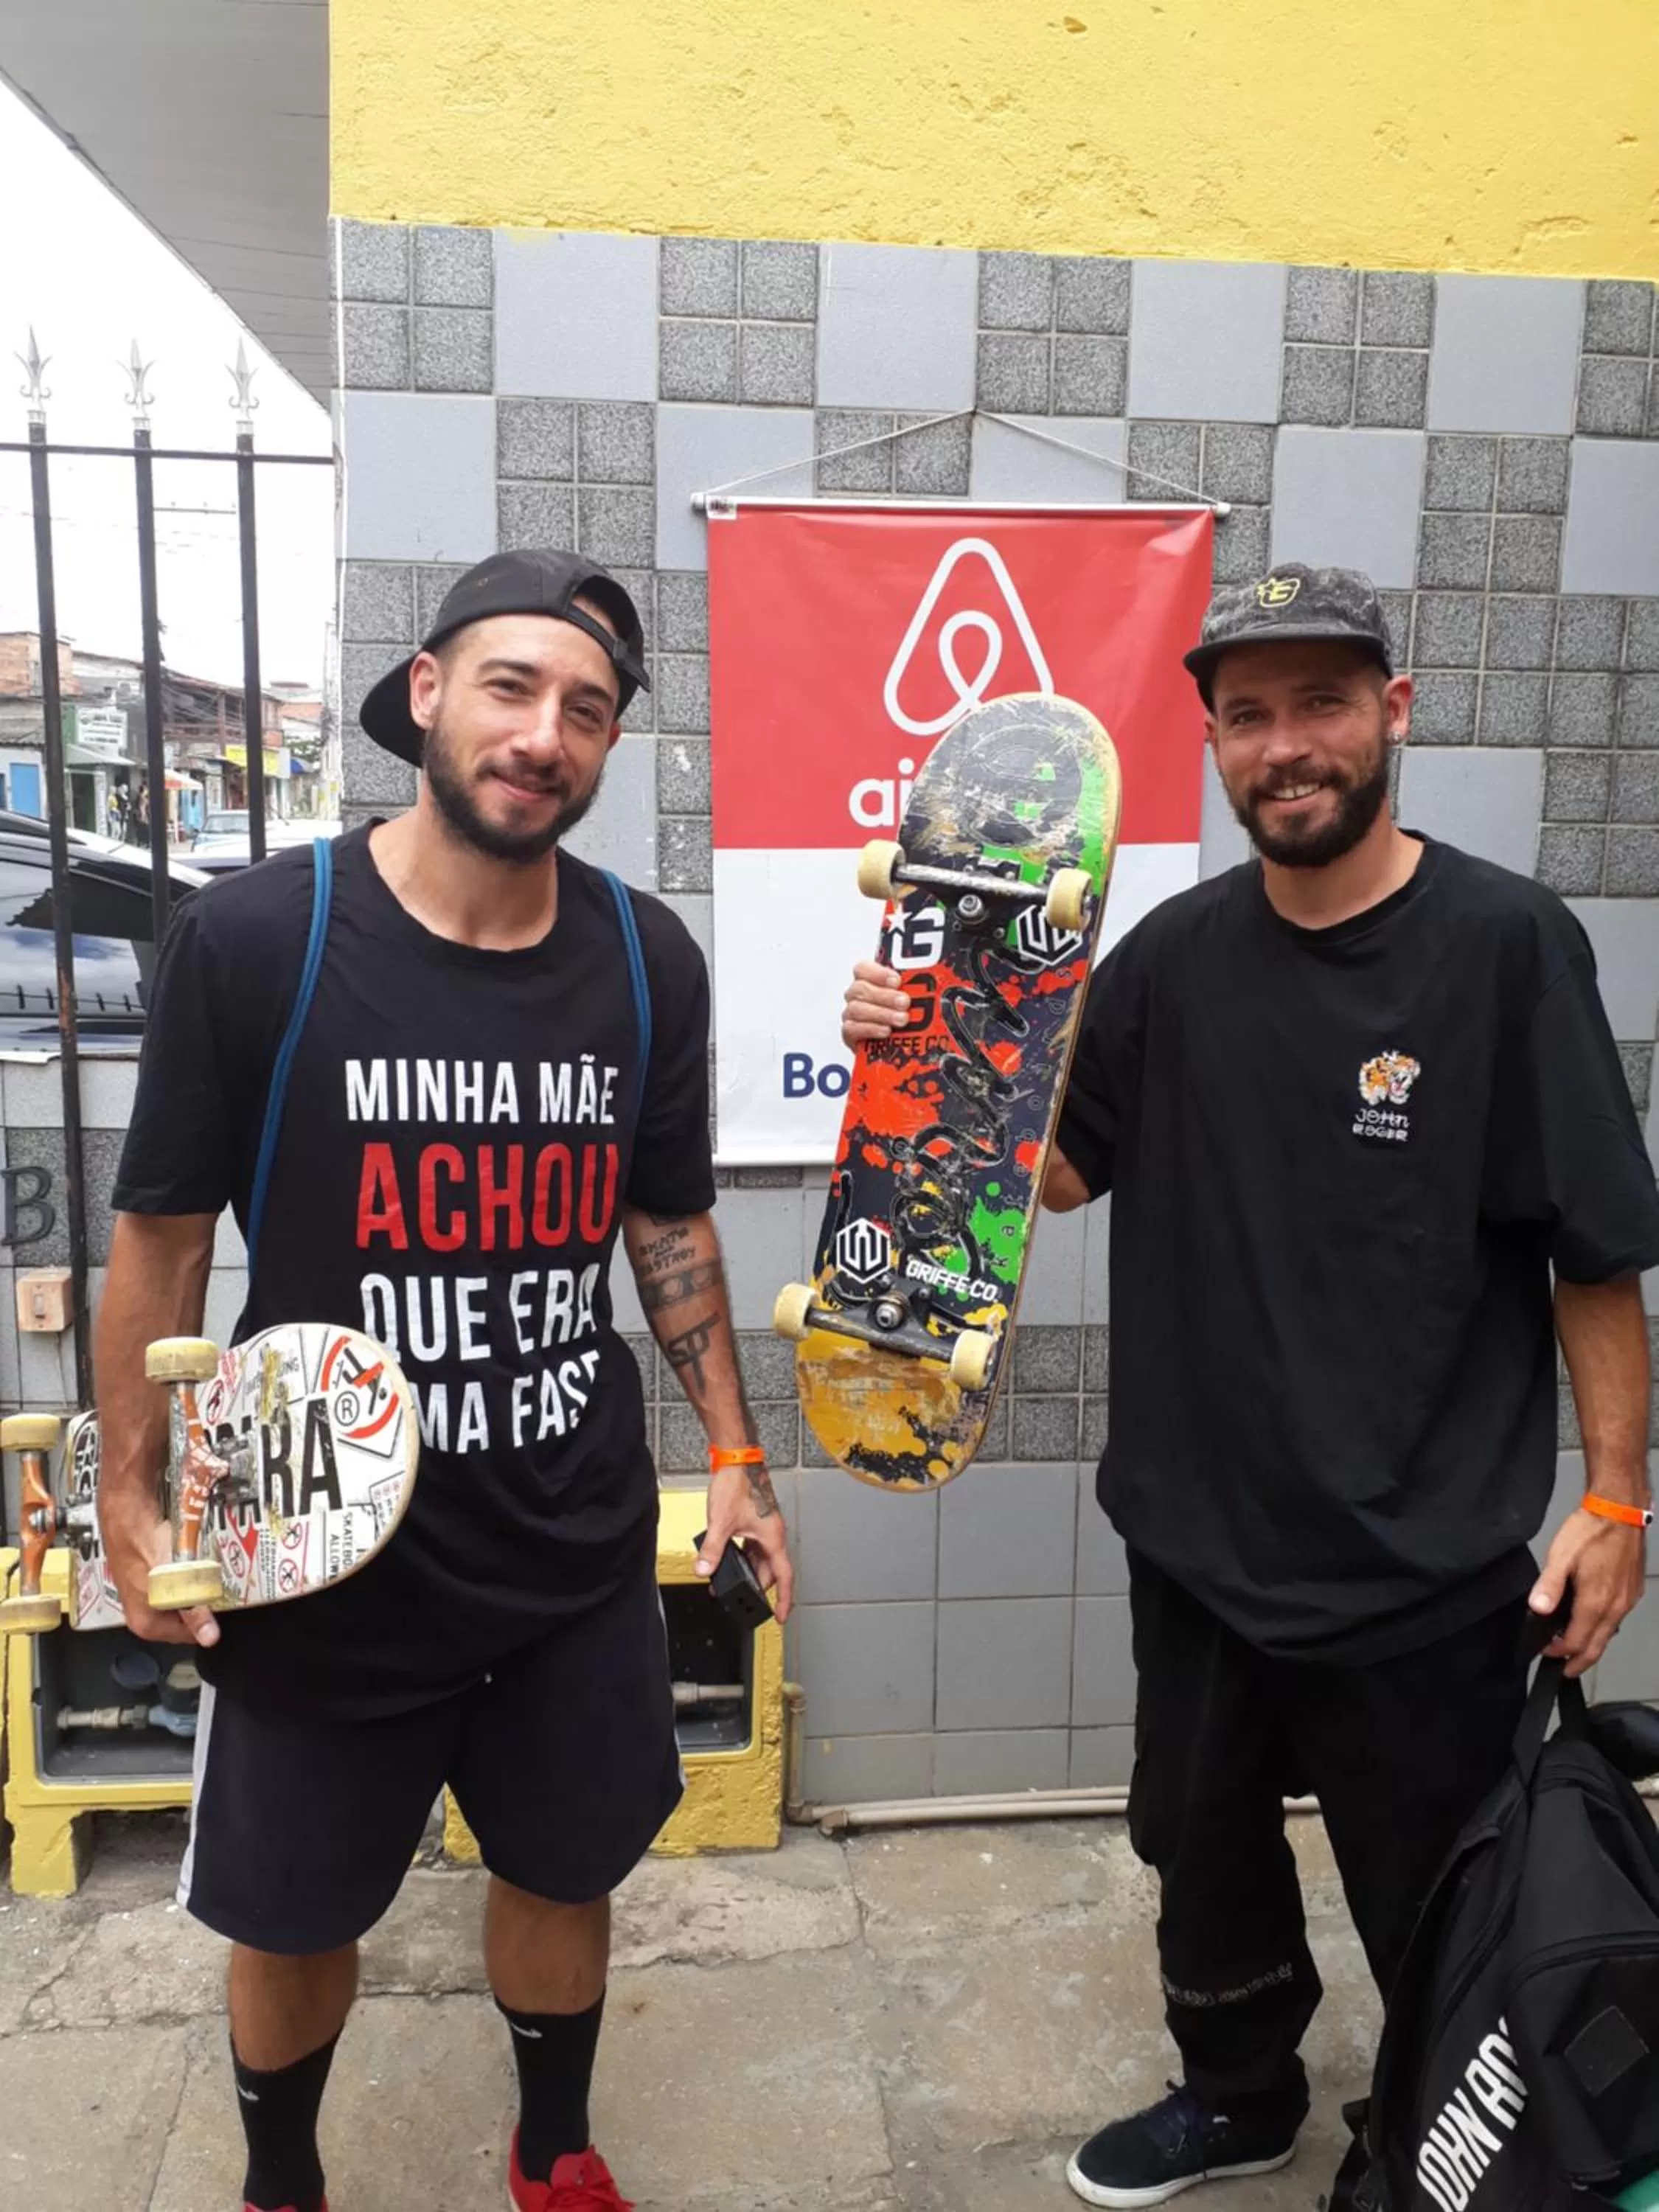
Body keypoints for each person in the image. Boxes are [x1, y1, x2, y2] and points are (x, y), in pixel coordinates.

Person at [842, 563, 1659, 2211]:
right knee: (1197, 1857)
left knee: (1441, 1894)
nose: (1289, 746)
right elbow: (1051, 1178)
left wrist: (1618, 1498)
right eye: (1251, 715)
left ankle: (1448, 2126)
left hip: (1418, 1559)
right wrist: (937, 1041)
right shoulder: (1169, 959)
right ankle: (1239, 2093)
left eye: (1324, 705)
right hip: (1197, 1540)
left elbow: (1592, 1256)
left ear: (1394, 716)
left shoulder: (1508, 946)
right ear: (1213, 740)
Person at [98, 548, 794, 2212]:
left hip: (565, 1536)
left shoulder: (645, 959)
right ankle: (283, 2181)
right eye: (511, 686)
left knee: (565, 1868)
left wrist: (738, 1458)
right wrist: (125, 1499)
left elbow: (668, 1223)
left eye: (588, 709)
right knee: (293, 1909)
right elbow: (164, 1242)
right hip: (316, 1544)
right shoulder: (265, 936)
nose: (544, 733)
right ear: (425, 694)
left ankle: (553, 2154)